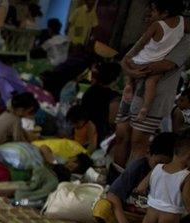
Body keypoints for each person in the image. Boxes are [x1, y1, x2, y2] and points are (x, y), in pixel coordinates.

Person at [112, 26, 190, 170]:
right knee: (121, 136)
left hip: (153, 99)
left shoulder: (183, 40)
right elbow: (126, 60)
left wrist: (135, 66)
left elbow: (162, 66)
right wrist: (131, 69)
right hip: (133, 92)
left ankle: (130, 183)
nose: (149, 15)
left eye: (153, 11)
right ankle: (115, 177)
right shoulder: (153, 32)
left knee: (138, 143)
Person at [92, 132, 175, 223]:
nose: (161, 169)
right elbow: (113, 195)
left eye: (166, 166)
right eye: (158, 164)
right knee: (102, 208)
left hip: (154, 221)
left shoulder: (174, 174)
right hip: (131, 214)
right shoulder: (138, 166)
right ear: (148, 153)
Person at [122, 0, 185, 122]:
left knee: (130, 65)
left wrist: (131, 56)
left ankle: (129, 84)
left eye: (154, 10)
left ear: (165, 13)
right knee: (151, 83)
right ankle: (145, 108)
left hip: (142, 59)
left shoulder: (157, 25)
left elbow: (142, 42)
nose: (150, 13)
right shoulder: (182, 24)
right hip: (158, 62)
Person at [133, 134, 190, 223]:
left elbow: (140, 188)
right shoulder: (186, 176)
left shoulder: (157, 168)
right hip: (170, 215)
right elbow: (187, 200)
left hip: (152, 212)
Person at [80, 61, 122, 140]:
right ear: (116, 78)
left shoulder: (90, 91)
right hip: (102, 136)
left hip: (86, 134)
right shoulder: (114, 97)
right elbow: (112, 121)